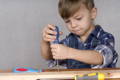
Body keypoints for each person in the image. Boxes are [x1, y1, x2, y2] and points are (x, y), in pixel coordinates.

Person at [40, 0, 118, 69]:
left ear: (92, 13)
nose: (73, 25)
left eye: (78, 18)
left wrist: (68, 52)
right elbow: (50, 56)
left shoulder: (105, 37)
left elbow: (100, 58)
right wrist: (45, 41)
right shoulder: (69, 41)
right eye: (67, 21)